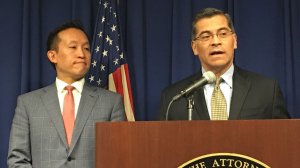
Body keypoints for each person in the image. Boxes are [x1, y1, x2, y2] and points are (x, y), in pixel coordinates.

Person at [7, 21, 126, 167]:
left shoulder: (111, 102)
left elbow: (120, 157)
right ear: (53, 56)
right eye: (73, 47)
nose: (82, 54)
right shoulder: (28, 103)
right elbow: (17, 160)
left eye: (86, 48)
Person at [158, 8, 290, 120]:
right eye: (205, 36)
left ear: (235, 41)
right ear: (194, 47)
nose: (215, 42)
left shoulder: (266, 90)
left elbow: (285, 140)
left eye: (223, 34)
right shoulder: (173, 98)